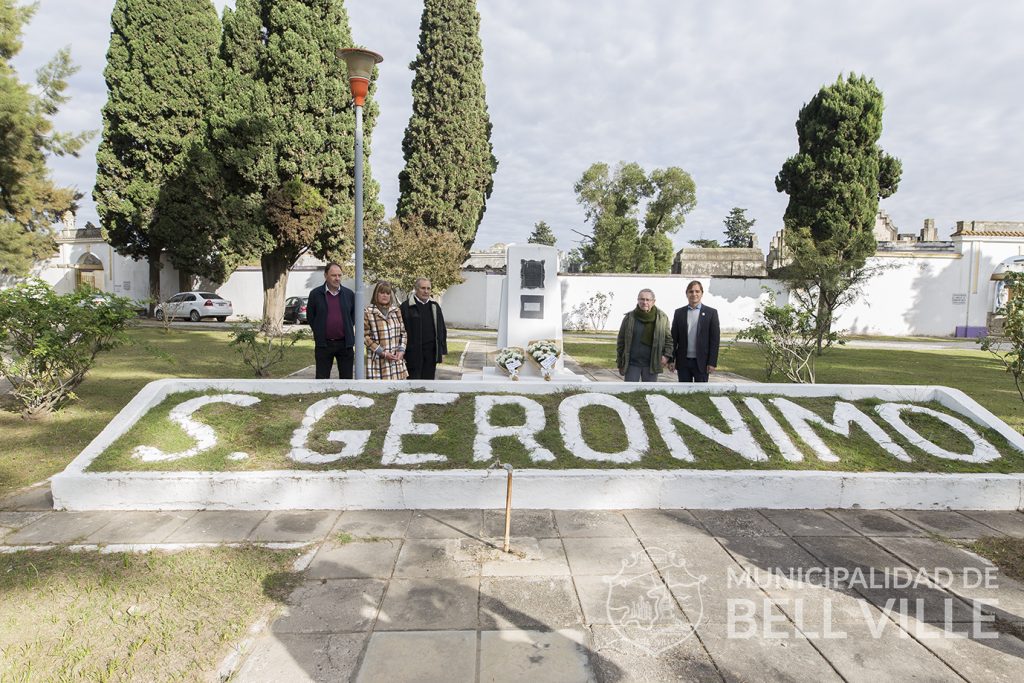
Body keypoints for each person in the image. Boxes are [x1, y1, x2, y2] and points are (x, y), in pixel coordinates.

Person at [306, 262, 355, 379]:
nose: (337, 278)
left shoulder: (349, 294)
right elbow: (311, 317)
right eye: (334, 275)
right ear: (325, 275)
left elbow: (353, 316)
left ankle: (346, 398)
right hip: (324, 344)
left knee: (346, 379)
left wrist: (345, 327)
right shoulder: (315, 294)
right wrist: (319, 331)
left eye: (339, 275)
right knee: (322, 380)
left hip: (345, 344)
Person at [616, 288, 673, 382]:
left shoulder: (662, 318)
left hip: (652, 364)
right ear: (638, 300)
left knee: (649, 392)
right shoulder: (629, 317)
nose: (644, 302)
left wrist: (666, 356)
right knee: (630, 392)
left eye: (648, 300)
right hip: (632, 363)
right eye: (642, 299)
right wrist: (620, 362)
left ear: (653, 301)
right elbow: (621, 341)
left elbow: (668, 340)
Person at [671, 280, 720, 383]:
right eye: (691, 291)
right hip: (683, 362)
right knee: (683, 393)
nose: (694, 294)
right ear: (687, 294)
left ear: (702, 293)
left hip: (702, 363)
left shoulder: (711, 313)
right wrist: (671, 360)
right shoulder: (679, 313)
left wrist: (712, 362)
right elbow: (673, 339)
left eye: (697, 291)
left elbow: (714, 341)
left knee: (700, 394)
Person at [400, 277, 447, 380]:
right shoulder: (405, 307)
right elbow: (400, 332)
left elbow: (442, 329)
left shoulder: (435, 306)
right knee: (413, 386)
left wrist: (442, 351)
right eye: (423, 288)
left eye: (428, 288)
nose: (426, 291)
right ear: (416, 289)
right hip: (412, 355)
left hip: (431, 354)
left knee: (428, 385)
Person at [363, 281, 408, 380]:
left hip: (396, 362)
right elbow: (365, 336)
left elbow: (403, 333)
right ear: (376, 294)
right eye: (382, 293)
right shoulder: (368, 312)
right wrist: (382, 352)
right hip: (378, 363)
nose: (385, 295)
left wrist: (401, 350)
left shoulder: (396, 311)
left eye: (388, 293)